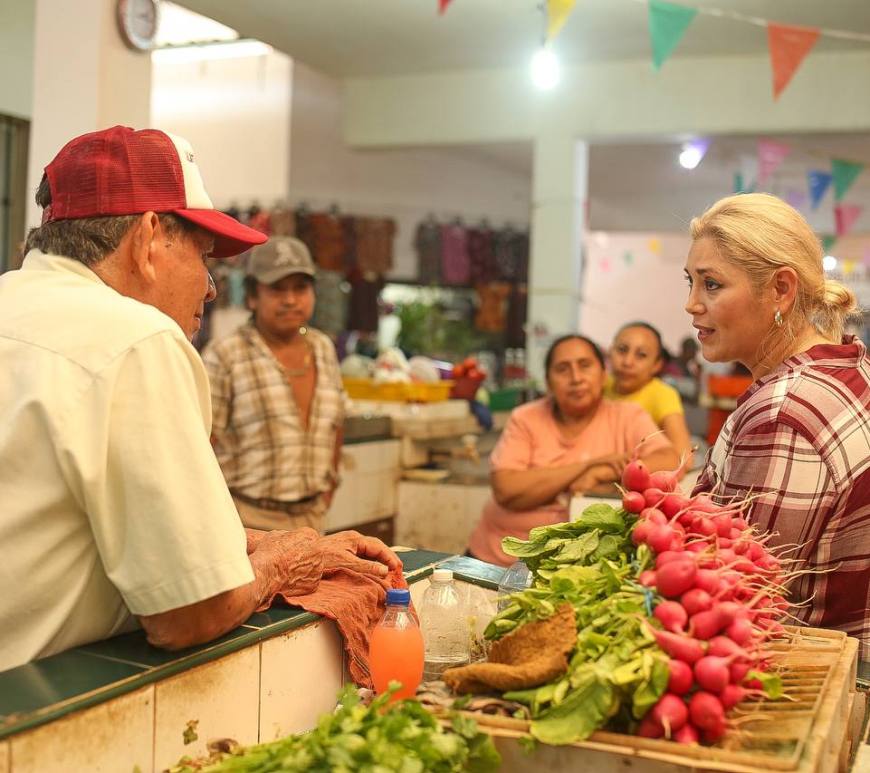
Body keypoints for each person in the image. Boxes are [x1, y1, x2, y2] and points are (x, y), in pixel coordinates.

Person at [0, 126, 400, 672]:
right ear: (147, 239)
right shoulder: (135, 338)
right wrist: (282, 562)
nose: (210, 288)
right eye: (204, 257)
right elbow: (190, 612)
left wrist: (273, 542)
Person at [686, 192, 869, 668]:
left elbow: (738, 599)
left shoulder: (782, 412)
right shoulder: (850, 366)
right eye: (691, 282)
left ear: (781, 291)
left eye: (711, 285)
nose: (691, 305)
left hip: (801, 678)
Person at [467, 334, 679, 566]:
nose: (576, 378)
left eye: (585, 366)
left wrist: (603, 473)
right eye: (562, 369)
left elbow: (668, 459)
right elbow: (507, 489)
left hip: (583, 569)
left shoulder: (628, 416)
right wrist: (589, 465)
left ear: (603, 374)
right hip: (497, 560)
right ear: (548, 382)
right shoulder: (526, 418)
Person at [203, 237, 345, 532]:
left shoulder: (323, 348)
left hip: (312, 519)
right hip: (246, 521)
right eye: (277, 289)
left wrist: (329, 486)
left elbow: (337, 423)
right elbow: (202, 443)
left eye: (300, 288)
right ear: (253, 296)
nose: (290, 299)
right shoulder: (225, 354)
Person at [605, 321, 694, 471]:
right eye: (622, 350)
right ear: (610, 351)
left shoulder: (662, 395)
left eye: (641, 355)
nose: (627, 362)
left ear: (657, 365)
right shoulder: (599, 387)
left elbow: (684, 458)